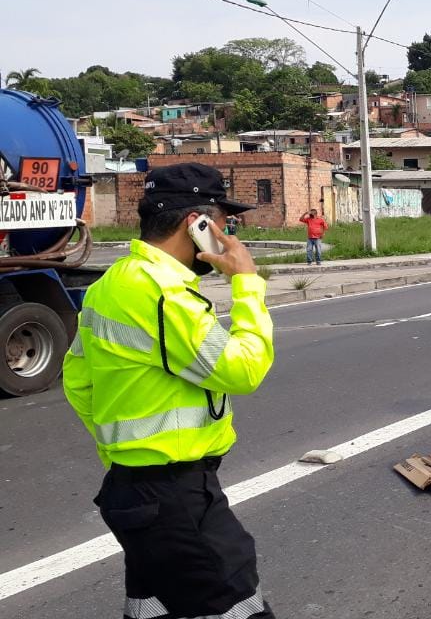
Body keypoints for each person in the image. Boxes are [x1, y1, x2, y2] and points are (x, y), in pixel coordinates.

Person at [62, 163, 276, 619]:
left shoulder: (113, 282)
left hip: (135, 490)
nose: (228, 235)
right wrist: (247, 283)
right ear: (196, 224)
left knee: (152, 607)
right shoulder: (163, 292)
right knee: (236, 605)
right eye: (224, 224)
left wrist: (125, 450)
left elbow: (78, 380)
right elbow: (243, 370)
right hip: (174, 496)